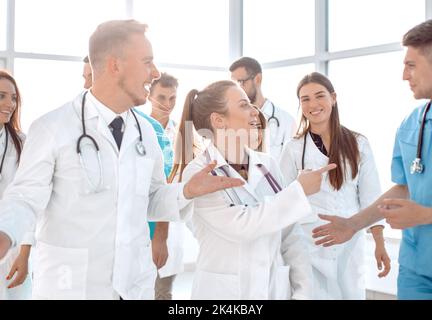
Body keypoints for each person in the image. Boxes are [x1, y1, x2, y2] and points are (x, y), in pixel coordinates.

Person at [0, 19, 243, 300]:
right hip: (71, 286)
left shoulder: (145, 134)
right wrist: (5, 233)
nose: (154, 73)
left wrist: (186, 191)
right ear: (115, 65)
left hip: (132, 285)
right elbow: (25, 197)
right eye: (147, 62)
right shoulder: (53, 127)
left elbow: (152, 200)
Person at [170, 79, 337, 299]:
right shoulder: (198, 174)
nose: (255, 110)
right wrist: (298, 191)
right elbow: (243, 226)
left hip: (272, 290)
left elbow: (290, 235)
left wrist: (302, 291)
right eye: (243, 104)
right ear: (219, 120)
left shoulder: (267, 164)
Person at [312, 20, 432, 300]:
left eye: (411, 65)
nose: (404, 75)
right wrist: (352, 224)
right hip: (417, 269)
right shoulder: (412, 124)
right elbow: (404, 187)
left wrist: (426, 215)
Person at [279, 72, 390, 300]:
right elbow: (280, 200)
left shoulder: (358, 144)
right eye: (305, 99)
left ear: (333, 98)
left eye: (319, 96)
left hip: (350, 244)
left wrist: (379, 243)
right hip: (307, 244)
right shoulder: (293, 148)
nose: (313, 104)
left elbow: (372, 198)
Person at [147, 72, 184, 300]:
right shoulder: (139, 128)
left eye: (172, 98)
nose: (167, 104)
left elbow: (179, 181)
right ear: (149, 96)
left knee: (163, 293)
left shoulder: (183, 133)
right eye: (161, 97)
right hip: (142, 223)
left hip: (168, 224)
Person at [0, 70, 31, 300]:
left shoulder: (22, 143)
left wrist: (25, 253)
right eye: (2, 96)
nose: (9, 104)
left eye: (13, 98)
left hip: (11, 249)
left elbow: (29, 201)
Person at [230, 57, 296, 160]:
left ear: (257, 79)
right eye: (234, 85)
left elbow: (291, 164)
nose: (237, 89)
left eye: (240, 82)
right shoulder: (232, 120)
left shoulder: (286, 121)